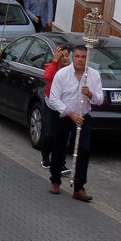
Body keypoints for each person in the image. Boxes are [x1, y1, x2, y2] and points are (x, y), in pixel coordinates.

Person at [48, 44, 104, 201]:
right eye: (78, 56)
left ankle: (79, 187)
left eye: (83, 57)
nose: (80, 60)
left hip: (83, 116)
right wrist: (70, 113)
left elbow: (100, 100)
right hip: (64, 115)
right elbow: (53, 99)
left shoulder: (94, 75)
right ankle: (55, 180)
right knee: (59, 147)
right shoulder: (62, 74)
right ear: (73, 57)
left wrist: (90, 94)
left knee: (84, 149)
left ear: (88, 58)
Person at [42, 42, 71, 171]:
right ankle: (45, 158)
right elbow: (47, 76)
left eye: (66, 55)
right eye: (61, 55)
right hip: (51, 105)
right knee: (49, 134)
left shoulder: (71, 70)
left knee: (64, 136)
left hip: (64, 107)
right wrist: (55, 60)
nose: (64, 58)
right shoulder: (52, 66)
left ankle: (61, 163)